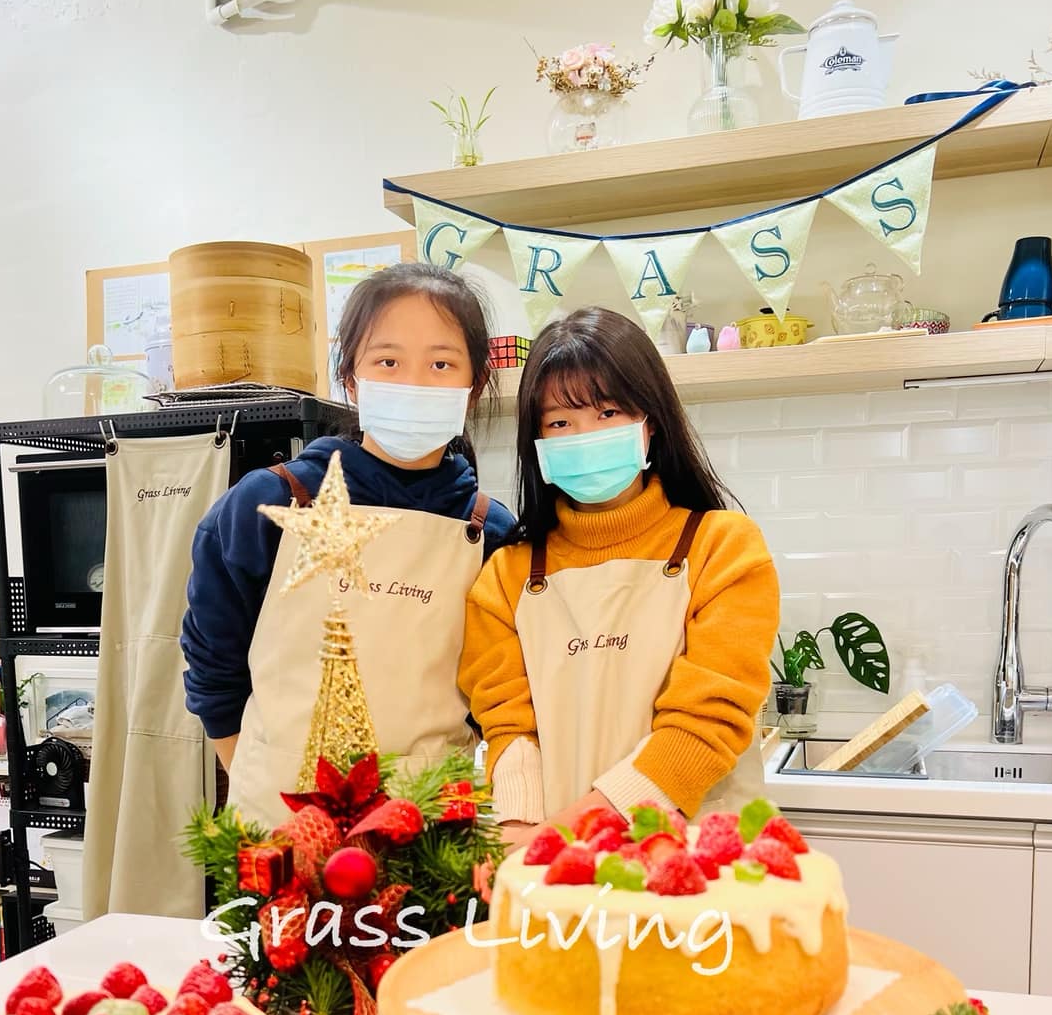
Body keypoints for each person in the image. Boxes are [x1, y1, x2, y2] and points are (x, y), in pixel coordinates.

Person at [181, 262, 514, 828]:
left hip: (431, 831)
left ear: (474, 385)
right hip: (282, 827)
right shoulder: (267, 504)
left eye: (440, 364)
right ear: (351, 379)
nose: (414, 383)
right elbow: (214, 670)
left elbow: (500, 698)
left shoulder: (491, 532)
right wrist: (265, 780)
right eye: (388, 362)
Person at [459, 306, 779, 849]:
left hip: (696, 862)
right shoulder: (507, 575)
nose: (584, 435)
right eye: (560, 423)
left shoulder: (723, 548)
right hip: (560, 866)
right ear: (537, 443)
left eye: (607, 413)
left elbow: (705, 725)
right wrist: (518, 839)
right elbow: (509, 728)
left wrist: (564, 834)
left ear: (650, 422)